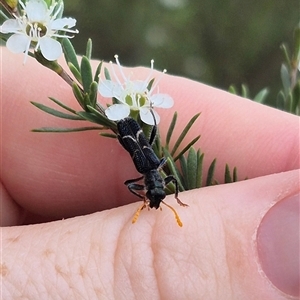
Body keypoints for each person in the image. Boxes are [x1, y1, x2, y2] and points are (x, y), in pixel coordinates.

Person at [1, 47, 299, 299]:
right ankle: (120, 119)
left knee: (138, 142)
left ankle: (123, 122)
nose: (158, 192)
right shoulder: (153, 168)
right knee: (135, 139)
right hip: (130, 129)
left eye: (155, 194)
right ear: (159, 185)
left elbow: (148, 181)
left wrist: (162, 198)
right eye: (160, 194)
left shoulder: (152, 168)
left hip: (134, 136)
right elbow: (145, 178)